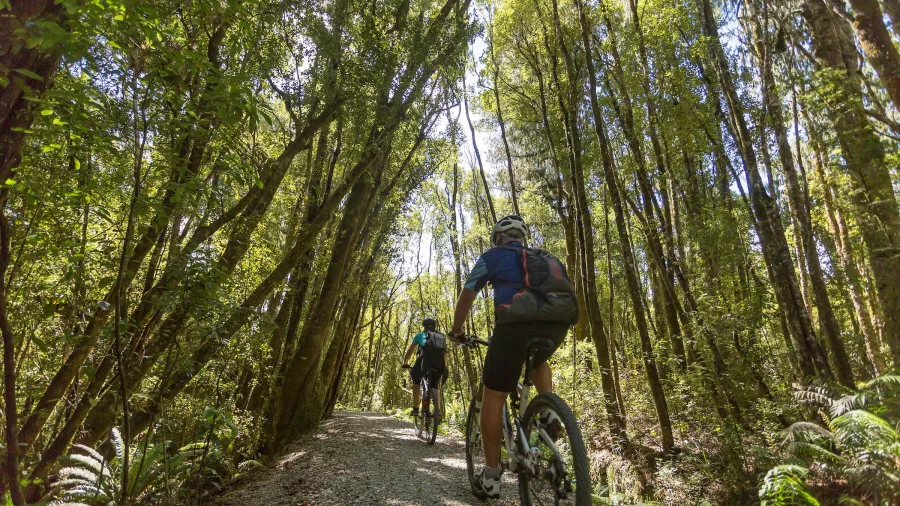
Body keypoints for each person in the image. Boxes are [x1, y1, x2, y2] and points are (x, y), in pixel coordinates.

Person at [448, 215, 573, 499]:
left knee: (494, 395)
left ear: (498, 238)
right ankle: (548, 411)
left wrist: (457, 331)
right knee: (539, 360)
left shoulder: (493, 256)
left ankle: (491, 477)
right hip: (557, 324)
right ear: (521, 237)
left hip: (513, 326)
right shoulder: (545, 257)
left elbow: (468, 293)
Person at [402, 317, 448, 418]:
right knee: (435, 385)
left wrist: (406, 362)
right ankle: (438, 411)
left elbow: (410, 351)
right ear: (434, 326)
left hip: (425, 361)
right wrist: (443, 367)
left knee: (416, 380)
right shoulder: (440, 337)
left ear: (424, 326)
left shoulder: (420, 335)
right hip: (439, 364)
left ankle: (415, 409)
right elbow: (445, 354)